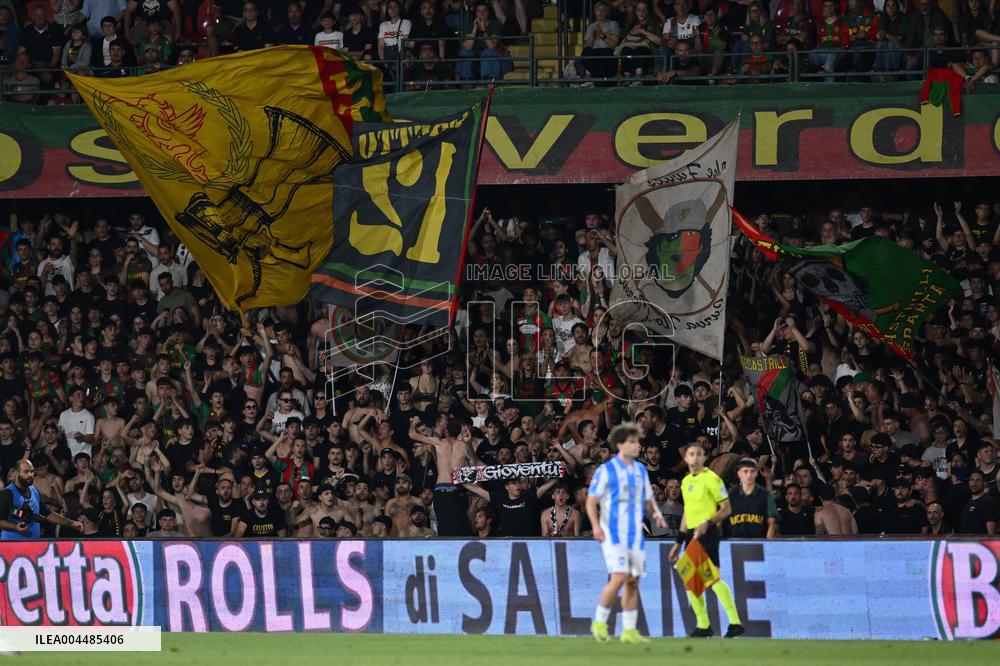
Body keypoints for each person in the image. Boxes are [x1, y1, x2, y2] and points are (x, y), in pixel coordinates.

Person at [587, 423, 667, 644]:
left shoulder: (640, 470)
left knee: (633, 580)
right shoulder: (606, 470)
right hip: (613, 533)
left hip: (636, 534)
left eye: (637, 442)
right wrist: (595, 526)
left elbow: (648, 498)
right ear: (621, 445)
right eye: (632, 442)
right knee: (620, 576)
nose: (637, 446)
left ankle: (629, 630)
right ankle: (599, 622)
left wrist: (657, 514)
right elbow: (591, 501)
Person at [669, 443, 744, 638]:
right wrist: (678, 542)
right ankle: (704, 625)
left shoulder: (712, 479)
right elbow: (688, 512)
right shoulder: (685, 482)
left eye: (698, 454)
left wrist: (708, 523)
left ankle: (734, 622)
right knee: (691, 581)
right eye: (690, 454)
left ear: (704, 458)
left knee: (711, 579)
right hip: (692, 535)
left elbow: (726, 509)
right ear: (686, 459)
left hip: (708, 534)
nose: (694, 458)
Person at [0, 459, 83, 540]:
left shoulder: (33, 490)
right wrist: (15, 527)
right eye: (26, 472)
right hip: (12, 545)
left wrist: (71, 523)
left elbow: (46, 513)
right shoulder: (8, 493)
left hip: (34, 543)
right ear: (17, 473)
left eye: (32, 471)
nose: (30, 475)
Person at [727, 457, 778, 538]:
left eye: (752, 471)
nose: (749, 475)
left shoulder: (766, 496)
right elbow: (721, 523)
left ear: (756, 473)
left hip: (759, 544)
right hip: (735, 544)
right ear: (739, 474)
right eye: (745, 471)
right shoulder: (731, 497)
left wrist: (768, 546)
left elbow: (771, 523)